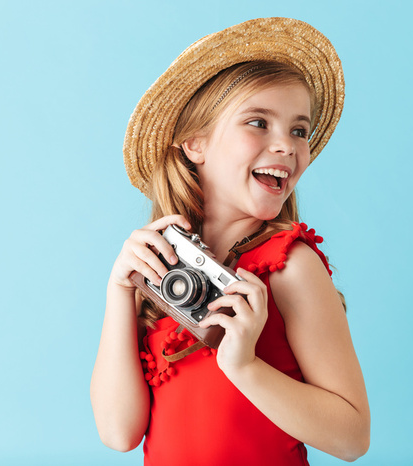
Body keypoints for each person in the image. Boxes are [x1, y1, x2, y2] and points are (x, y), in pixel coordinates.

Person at [90, 17, 370, 465]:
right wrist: (119, 293)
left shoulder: (290, 267)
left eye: (299, 130)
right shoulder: (162, 272)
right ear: (195, 143)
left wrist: (244, 367)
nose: (286, 145)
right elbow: (118, 432)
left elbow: (352, 436)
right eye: (258, 122)